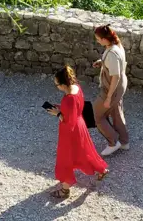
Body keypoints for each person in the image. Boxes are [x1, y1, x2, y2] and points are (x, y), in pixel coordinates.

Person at [47, 65, 108, 199]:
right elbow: (73, 110)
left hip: (71, 131)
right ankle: (102, 170)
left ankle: (65, 190)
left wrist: (57, 113)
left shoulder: (68, 99)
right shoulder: (77, 88)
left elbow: (68, 121)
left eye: (57, 85)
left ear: (63, 84)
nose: (57, 87)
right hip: (81, 126)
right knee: (85, 151)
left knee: (65, 158)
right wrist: (60, 108)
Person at [92, 24, 129, 156]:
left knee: (96, 114)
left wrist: (108, 97)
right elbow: (116, 64)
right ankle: (124, 142)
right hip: (120, 87)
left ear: (104, 39)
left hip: (111, 89)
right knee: (116, 113)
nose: (97, 41)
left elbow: (116, 75)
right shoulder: (115, 45)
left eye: (98, 38)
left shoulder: (112, 53)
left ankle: (113, 142)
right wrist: (102, 62)